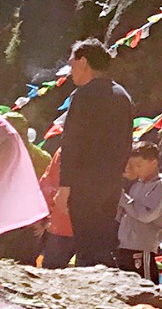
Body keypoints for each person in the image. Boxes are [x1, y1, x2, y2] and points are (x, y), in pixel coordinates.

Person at [55, 41, 135, 268]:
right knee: (103, 242)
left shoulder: (83, 96)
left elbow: (71, 143)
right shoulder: (122, 95)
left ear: (83, 62)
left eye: (72, 64)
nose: (70, 71)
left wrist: (64, 186)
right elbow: (126, 143)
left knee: (87, 246)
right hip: (110, 184)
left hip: (83, 186)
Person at [115, 141, 162, 283]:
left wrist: (124, 200)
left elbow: (147, 215)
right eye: (132, 165)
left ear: (153, 163)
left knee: (145, 284)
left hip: (142, 247)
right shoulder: (136, 186)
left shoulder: (161, 185)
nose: (135, 169)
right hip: (125, 244)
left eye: (139, 165)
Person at [0, 118, 48, 261]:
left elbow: (45, 185)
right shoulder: (39, 156)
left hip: (22, 223)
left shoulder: (39, 157)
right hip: (25, 219)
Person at [38, 149, 74, 267]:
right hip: (94, 227)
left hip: (61, 227)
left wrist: (41, 216)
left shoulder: (64, 151)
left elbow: (47, 185)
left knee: (51, 272)